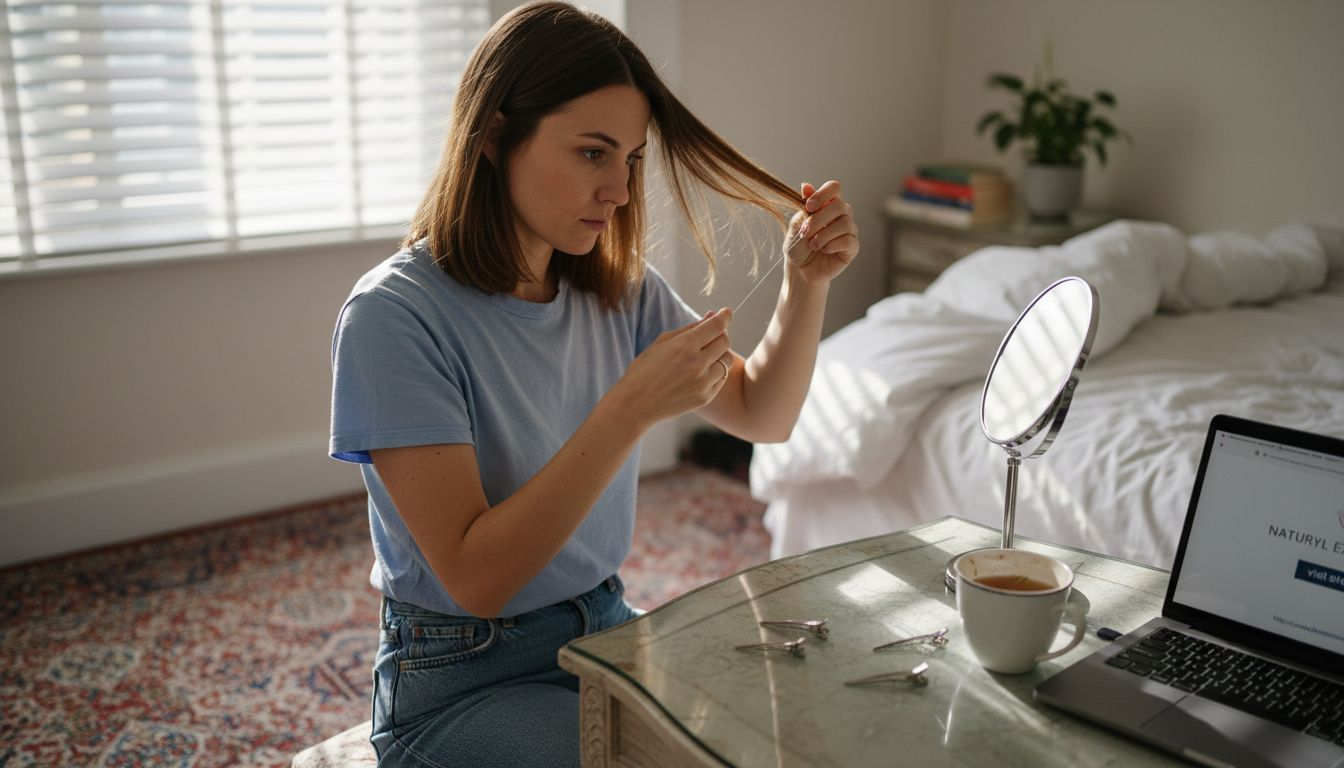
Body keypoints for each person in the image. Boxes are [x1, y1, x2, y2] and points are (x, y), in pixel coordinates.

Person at [328, 2, 859, 765]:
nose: (618, 188)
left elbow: (761, 413)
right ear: (492, 139)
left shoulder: (620, 292)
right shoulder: (393, 318)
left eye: (632, 159)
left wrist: (807, 286)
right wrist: (630, 409)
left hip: (604, 630)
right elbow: (479, 579)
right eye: (591, 153)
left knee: (772, 732)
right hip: (460, 673)